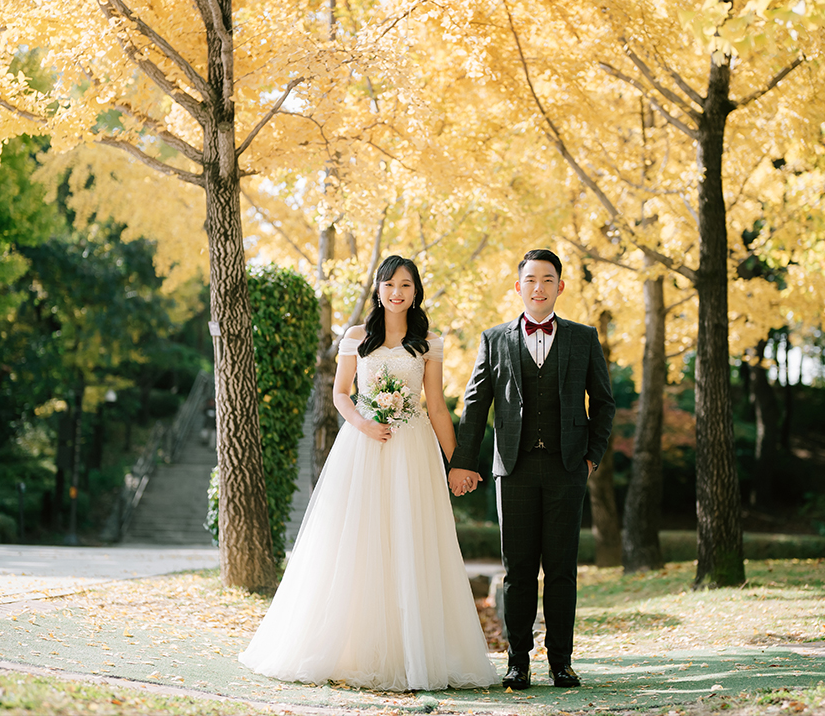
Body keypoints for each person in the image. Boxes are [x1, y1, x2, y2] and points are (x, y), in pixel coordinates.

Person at [238, 255, 499, 692]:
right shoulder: (356, 337)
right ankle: (351, 647)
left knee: (412, 540)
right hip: (363, 448)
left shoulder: (428, 343)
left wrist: (458, 463)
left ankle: (414, 652)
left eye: (407, 286)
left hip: (413, 452)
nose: (398, 292)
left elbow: (435, 406)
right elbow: (341, 394)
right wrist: (364, 424)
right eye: (390, 284)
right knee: (358, 542)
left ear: (416, 293)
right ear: (378, 288)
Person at [447, 249, 616, 690]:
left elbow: (603, 402)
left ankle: (561, 661)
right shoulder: (494, 339)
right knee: (518, 570)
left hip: (566, 469)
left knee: (562, 569)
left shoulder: (583, 338)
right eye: (530, 280)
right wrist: (463, 463)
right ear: (518, 287)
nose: (538, 288)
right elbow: (474, 405)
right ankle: (517, 662)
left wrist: (591, 456)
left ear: (560, 287)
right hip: (514, 469)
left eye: (547, 280)